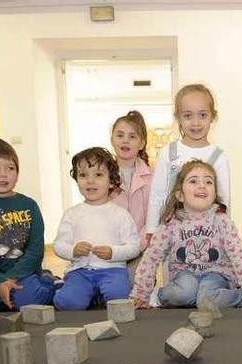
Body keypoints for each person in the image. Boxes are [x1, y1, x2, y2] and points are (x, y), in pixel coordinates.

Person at [130, 160, 242, 309]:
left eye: (208, 182)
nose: (202, 185)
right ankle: (158, 296)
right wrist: (141, 293)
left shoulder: (221, 220)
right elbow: (152, 256)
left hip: (217, 274)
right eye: (193, 181)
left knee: (206, 299)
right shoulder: (172, 222)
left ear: (214, 193)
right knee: (184, 293)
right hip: (184, 275)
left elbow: (238, 256)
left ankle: (239, 297)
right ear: (180, 194)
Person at [0, 138, 55, 311]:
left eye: (10, 168)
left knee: (28, 302)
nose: (3, 174)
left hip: (24, 272)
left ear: (18, 173)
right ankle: (4, 290)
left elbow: (35, 249)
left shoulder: (29, 205)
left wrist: (12, 278)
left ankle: (49, 283)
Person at [53, 148, 142, 310]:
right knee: (69, 304)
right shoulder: (72, 214)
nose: (90, 181)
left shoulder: (121, 214)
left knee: (119, 299)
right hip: (80, 271)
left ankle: (96, 296)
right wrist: (73, 250)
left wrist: (113, 253)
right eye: (83, 175)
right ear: (77, 179)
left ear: (112, 181)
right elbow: (58, 245)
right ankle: (60, 286)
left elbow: (134, 247)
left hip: (113, 270)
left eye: (98, 175)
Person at [145, 83, 230, 239]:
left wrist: (226, 233)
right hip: (172, 233)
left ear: (213, 116)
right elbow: (157, 195)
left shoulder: (218, 157)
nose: (196, 122)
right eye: (188, 115)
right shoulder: (168, 153)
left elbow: (224, 199)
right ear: (178, 118)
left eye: (202, 115)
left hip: (208, 233)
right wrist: (151, 229)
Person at [109, 110, 154, 246]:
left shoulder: (153, 177)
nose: (125, 140)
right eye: (120, 135)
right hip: (110, 249)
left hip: (142, 249)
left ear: (141, 144)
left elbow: (154, 217)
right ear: (112, 140)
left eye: (132, 136)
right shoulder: (102, 174)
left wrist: (137, 245)